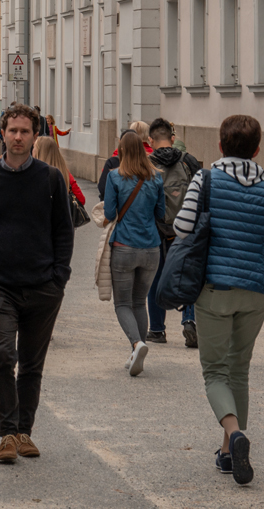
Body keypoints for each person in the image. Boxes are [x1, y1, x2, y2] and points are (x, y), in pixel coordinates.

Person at [172, 114, 264, 487]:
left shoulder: (206, 179)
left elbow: (182, 228)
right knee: (240, 371)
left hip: (215, 290)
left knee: (216, 372)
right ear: (256, 150)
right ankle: (228, 454)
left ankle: (234, 435)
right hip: (256, 295)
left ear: (220, 146)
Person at [0, 103, 74, 464]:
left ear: (35, 136)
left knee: (33, 366)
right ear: (2, 133)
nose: (18, 137)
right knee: (4, 355)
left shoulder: (51, 178)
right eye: (12, 130)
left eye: (25, 131)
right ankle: (6, 434)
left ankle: (24, 431)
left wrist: (59, 278)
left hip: (43, 287)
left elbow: (63, 232)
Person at [101, 130, 163, 376]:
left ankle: (137, 344)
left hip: (124, 247)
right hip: (151, 248)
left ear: (123, 151)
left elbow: (109, 213)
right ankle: (138, 350)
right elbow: (161, 214)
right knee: (140, 302)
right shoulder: (156, 178)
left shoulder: (114, 176)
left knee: (123, 303)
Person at [146, 118, 201, 348]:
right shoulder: (188, 161)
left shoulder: (146, 163)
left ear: (150, 140)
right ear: (172, 138)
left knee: (155, 277)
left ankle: (157, 330)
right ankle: (189, 319)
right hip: (185, 228)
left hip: (156, 228)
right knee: (186, 274)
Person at [32, 136, 85, 208]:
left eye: (34, 147)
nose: (32, 150)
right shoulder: (65, 173)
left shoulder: (35, 173)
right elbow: (81, 199)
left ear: (40, 152)